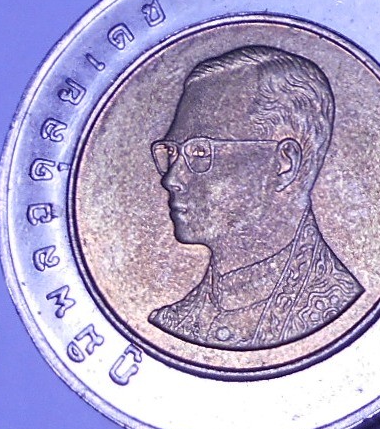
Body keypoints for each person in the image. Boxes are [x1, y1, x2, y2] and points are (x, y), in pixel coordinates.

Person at [148, 45, 363, 349]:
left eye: (200, 152)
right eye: (172, 153)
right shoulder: (171, 324)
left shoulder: (339, 309)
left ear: (284, 164)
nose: (172, 179)